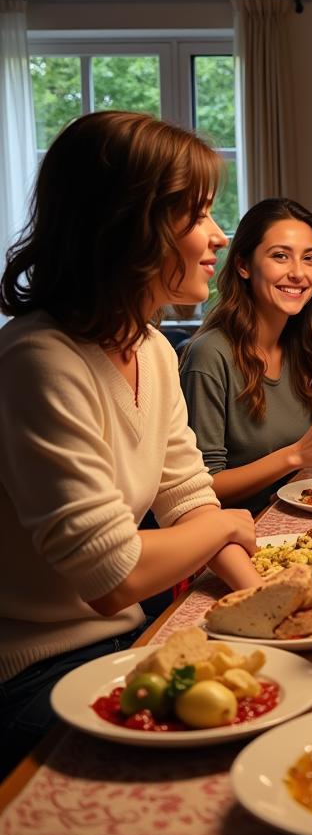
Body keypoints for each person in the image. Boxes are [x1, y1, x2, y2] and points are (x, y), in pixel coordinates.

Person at [0, 111, 262, 777]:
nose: (219, 236)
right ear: (130, 227)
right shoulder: (38, 359)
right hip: (31, 675)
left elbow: (186, 500)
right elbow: (112, 577)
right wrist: (232, 522)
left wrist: (276, 607)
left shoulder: (152, 348)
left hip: (126, 642)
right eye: (197, 215)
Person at [180, 198, 312, 515]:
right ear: (243, 265)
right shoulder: (209, 355)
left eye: (310, 259)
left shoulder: (310, 346)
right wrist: (295, 455)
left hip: (305, 520)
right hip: (238, 535)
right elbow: (200, 489)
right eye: (280, 256)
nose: (298, 273)